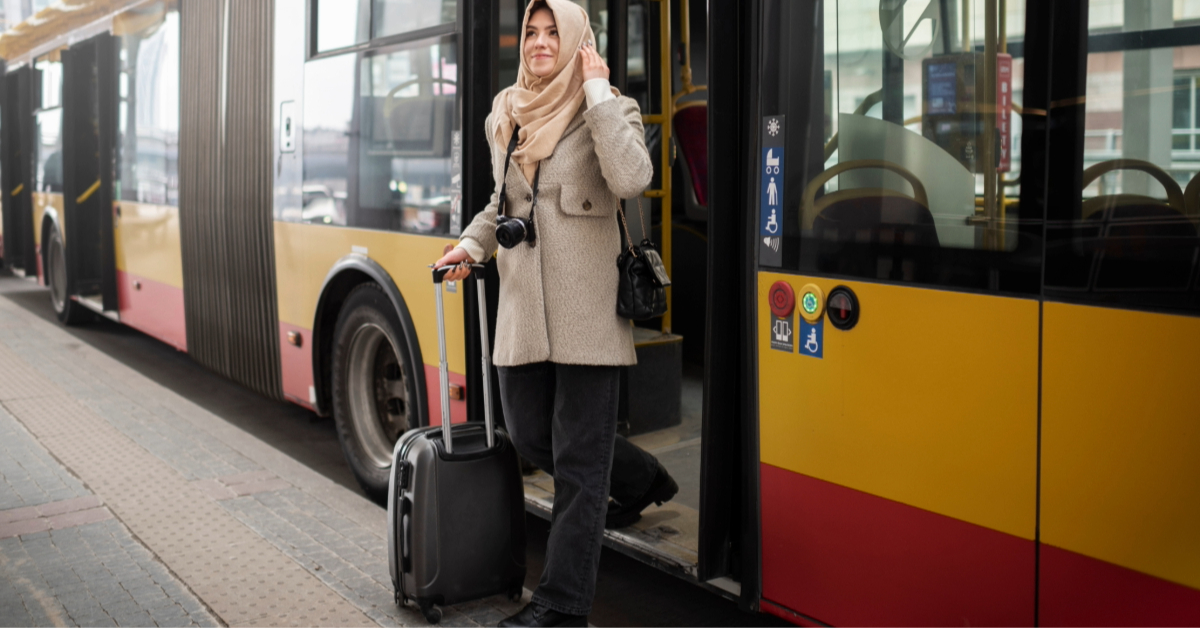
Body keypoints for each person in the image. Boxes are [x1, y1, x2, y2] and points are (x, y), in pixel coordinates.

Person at [433, 1, 677, 625]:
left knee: (577, 463)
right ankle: (642, 477)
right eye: (532, 34)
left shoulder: (609, 106)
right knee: (533, 434)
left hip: (589, 317)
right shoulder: (507, 113)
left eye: (553, 34)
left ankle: (562, 606)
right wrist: (470, 244)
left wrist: (595, 90)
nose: (540, 44)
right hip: (522, 311)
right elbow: (498, 204)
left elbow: (631, 177)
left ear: (577, 41)